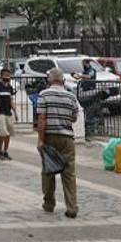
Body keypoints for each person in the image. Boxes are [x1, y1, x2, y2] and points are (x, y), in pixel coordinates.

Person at [35, 67, 78, 218]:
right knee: (69, 174)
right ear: (63, 80)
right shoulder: (71, 97)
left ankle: (49, 203)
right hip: (67, 138)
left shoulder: (44, 95)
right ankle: (72, 207)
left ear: (50, 80)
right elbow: (74, 118)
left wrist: (40, 140)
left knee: (48, 170)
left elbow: (41, 119)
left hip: (49, 137)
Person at [0, 67, 15, 160]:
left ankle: (4, 151)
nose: (7, 77)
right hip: (0, 111)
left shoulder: (10, 87)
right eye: (5, 75)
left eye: (8, 75)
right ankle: (0, 149)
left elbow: (11, 100)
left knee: (8, 134)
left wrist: (15, 111)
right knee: (3, 132)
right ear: (1, 76)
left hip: (8, 112)